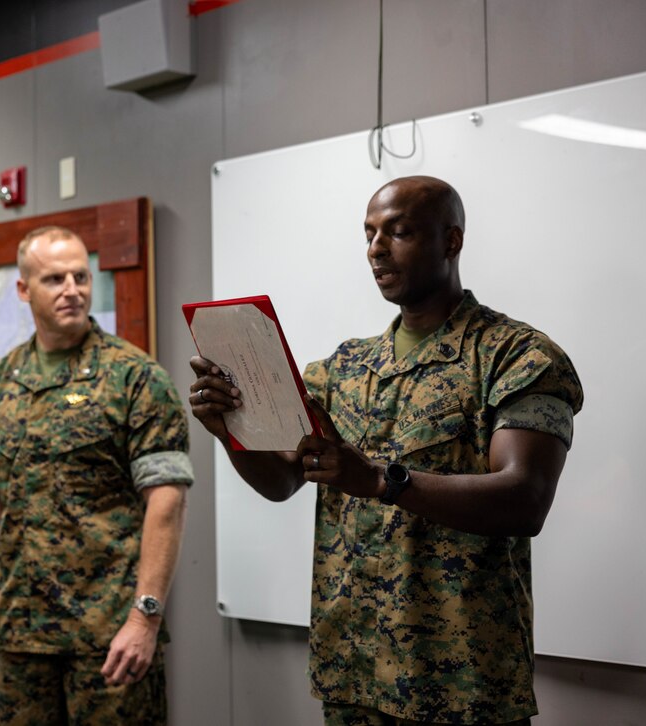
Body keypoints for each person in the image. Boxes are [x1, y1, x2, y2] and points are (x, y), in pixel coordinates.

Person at [190, 176, 583, 725]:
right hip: (354, 669)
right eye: (369, 234)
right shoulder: (341, 368)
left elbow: (525, 499)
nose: (376, 249)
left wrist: (381, 480)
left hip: (461, 681)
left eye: (398, 232)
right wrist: (227, 428)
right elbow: (281, 481)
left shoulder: (517, 356)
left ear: (451, 241)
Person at [0, 225, 194, 724]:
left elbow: (167, 500)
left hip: (109, 636)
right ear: (24, 289)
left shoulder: (135, 377)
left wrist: (144, 618)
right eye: (54, 279)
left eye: (81, 277)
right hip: (21, 633)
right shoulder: (1, 383)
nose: (72, 290)